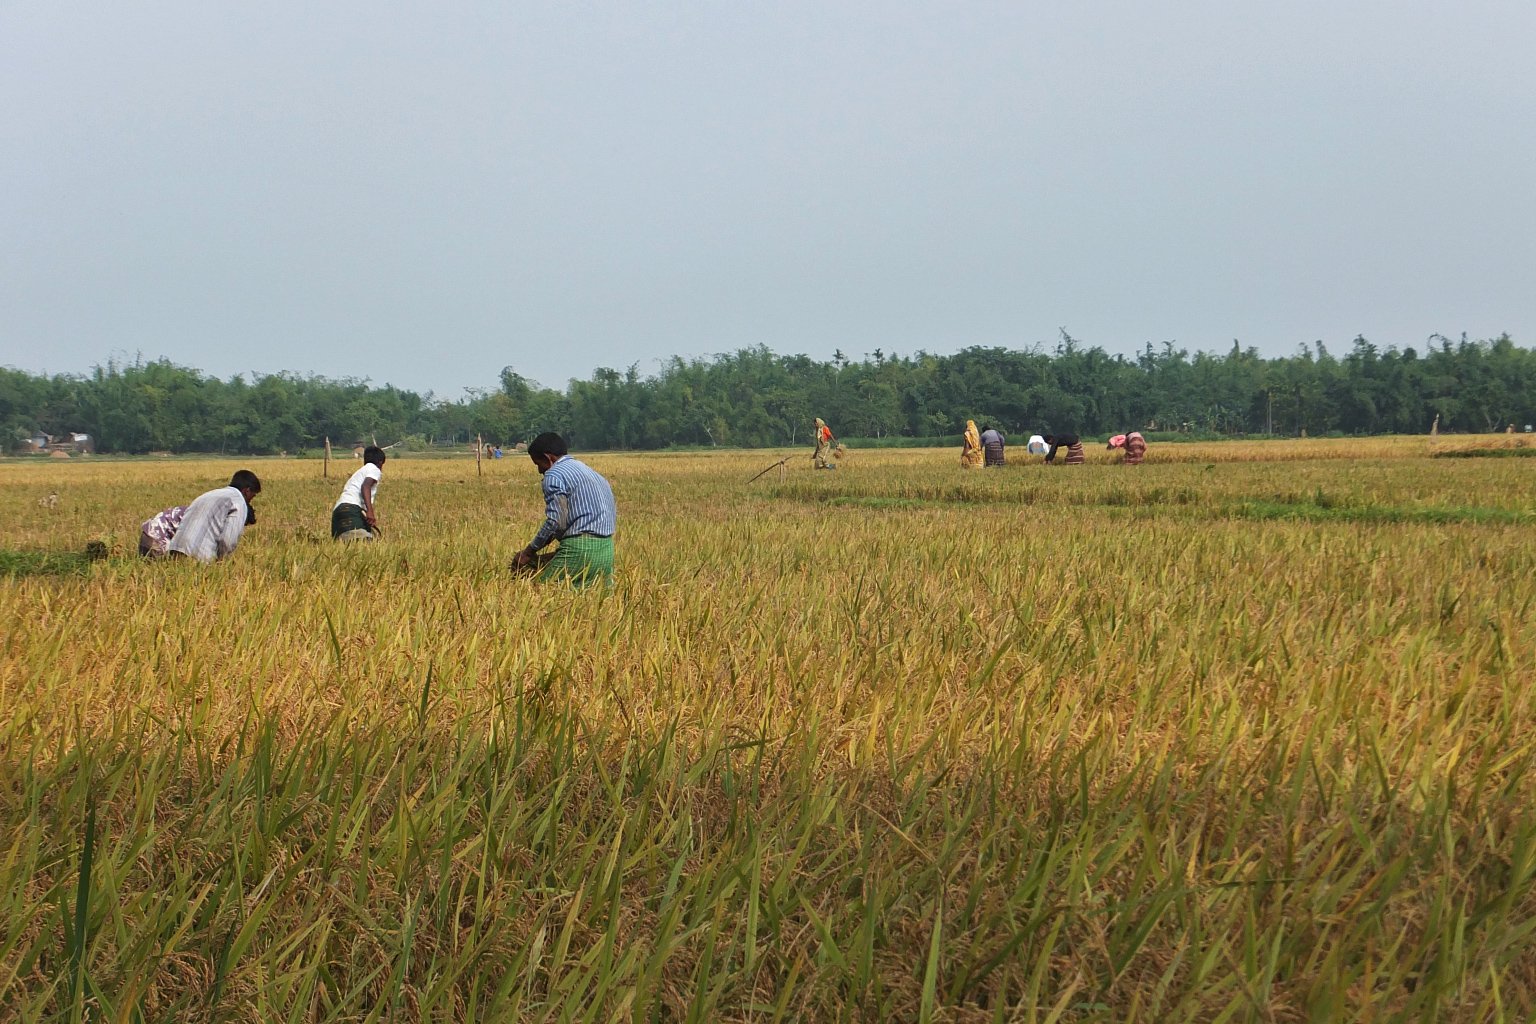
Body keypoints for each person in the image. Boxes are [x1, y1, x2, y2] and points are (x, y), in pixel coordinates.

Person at [512, 432, 617, 588]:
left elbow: (556, 522)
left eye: (538, 464)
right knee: (594, 598)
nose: (540, 471)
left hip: (580, 550)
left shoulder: (554, 475)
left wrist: (529, 551)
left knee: (538, 593)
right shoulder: (592, 473)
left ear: (549, 458)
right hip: (607, 550)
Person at [166, 470, 261, 563]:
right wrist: (222, 560)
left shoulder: (207, 495)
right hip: (199, 556)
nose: (251, 500)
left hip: (175, 550)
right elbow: (228, 540)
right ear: (247, 491)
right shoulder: (238, 501)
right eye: (253, 495)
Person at [333, 445, 385, 541]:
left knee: (343, 546)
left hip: (338, 511)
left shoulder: (359, 472)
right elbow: (365, 486)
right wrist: (370, 511)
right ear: (380, 462)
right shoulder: (374, 469)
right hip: (351, 510)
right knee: (365, 544)